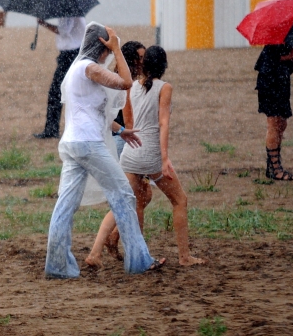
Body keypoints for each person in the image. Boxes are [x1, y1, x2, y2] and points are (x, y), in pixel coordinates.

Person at [44, 23, 163, 279]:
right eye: (107, 51)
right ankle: (139, 261)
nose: (108, 56)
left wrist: (121, 131)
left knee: (65, 205)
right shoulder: (89, 68)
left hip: (75, 144)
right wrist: (118, 48)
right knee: (124, 195)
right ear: (101, 47)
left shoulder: (78, 70)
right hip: (87, 144)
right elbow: (125, 83)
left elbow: (89, 111)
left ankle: (57, 266)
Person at [87, 45, 205, 268]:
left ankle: (96, 252)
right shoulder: (165, 87)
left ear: (144, 64)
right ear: (164, 65)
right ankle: (184, 257)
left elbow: (129, 124)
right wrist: (164, 158)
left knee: (123, 204)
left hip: (131, 153)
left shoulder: (132, 88)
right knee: (179, 201)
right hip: (150, 153)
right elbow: (163, 123)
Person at [34, 16, 86, 139]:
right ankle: (53, 128)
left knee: (56, 92)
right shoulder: (71, 9)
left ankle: (52, 129)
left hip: (71, 54)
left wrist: (43, 23)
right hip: (72, 53)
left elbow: (63, 31)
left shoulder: (68, 11)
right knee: (68, 92)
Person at [255, 43, 293, 181]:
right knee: (274, 123)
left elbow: (287, 67)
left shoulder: (287, 37)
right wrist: (289, 56)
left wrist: (290, 56)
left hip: (281, 82)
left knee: (281, 123)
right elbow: (270, 61)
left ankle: (273, 166)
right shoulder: (276, 38)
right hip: (271, 83)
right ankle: (275, 168)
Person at [111, 41, 145, 159]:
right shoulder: (127, 84)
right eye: (140, 58)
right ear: (131, 60)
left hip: (116, 138)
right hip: (123, 140)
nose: (143, 62)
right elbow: (129, 120)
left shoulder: (114, 79)